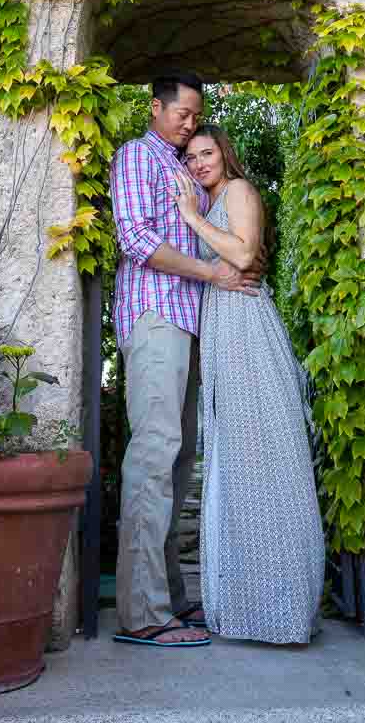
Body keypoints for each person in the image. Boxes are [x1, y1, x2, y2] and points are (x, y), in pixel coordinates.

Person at [110, 73, 263, 649]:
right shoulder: (136, 157)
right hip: (156, 316)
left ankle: (170, 598)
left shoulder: (186, 170)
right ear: (157, 108)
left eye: (198, 117)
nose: (191, 124)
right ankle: (142, 613)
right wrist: (214, 274)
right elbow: (136, 240)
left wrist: (236, 264)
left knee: (176, 461)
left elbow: (222, 241)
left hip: (195, 321)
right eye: (184, 114)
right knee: (153, 453)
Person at [174, 124, 325, 645]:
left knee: (266, 461)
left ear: (225, 153)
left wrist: (192, 218)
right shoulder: (211, 195)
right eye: (190, 158)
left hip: (246, 328)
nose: (198, 164)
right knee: (238, 464)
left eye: (206, 153)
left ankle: (282, 607)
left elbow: (242, 256)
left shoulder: (238, 190)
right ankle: (247, 606)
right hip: (222, 329)